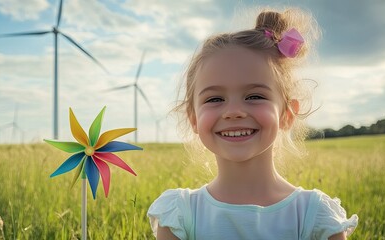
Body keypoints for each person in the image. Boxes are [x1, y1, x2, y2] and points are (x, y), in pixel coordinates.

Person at [147, 7, 358, 240]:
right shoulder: (179, 215)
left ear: (287, 114)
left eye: (255, 96)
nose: (234, 112)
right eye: (214, 99)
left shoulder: (315, 216)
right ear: (194, 119)